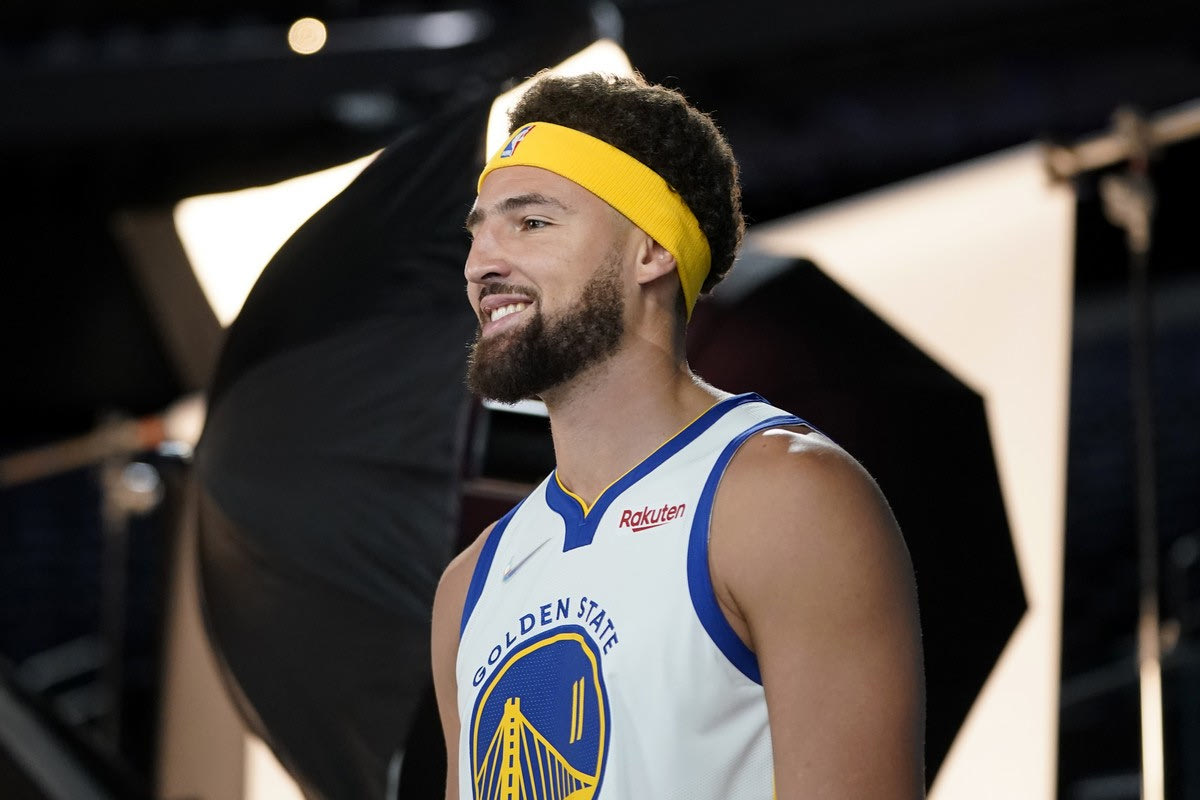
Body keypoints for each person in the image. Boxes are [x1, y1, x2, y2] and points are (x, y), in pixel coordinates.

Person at [430, 70, 925, 799]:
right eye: (477, 233)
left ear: (652, 251)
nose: (482, 264)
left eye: (531, 223)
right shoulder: (468, 587)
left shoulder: (785, 501)